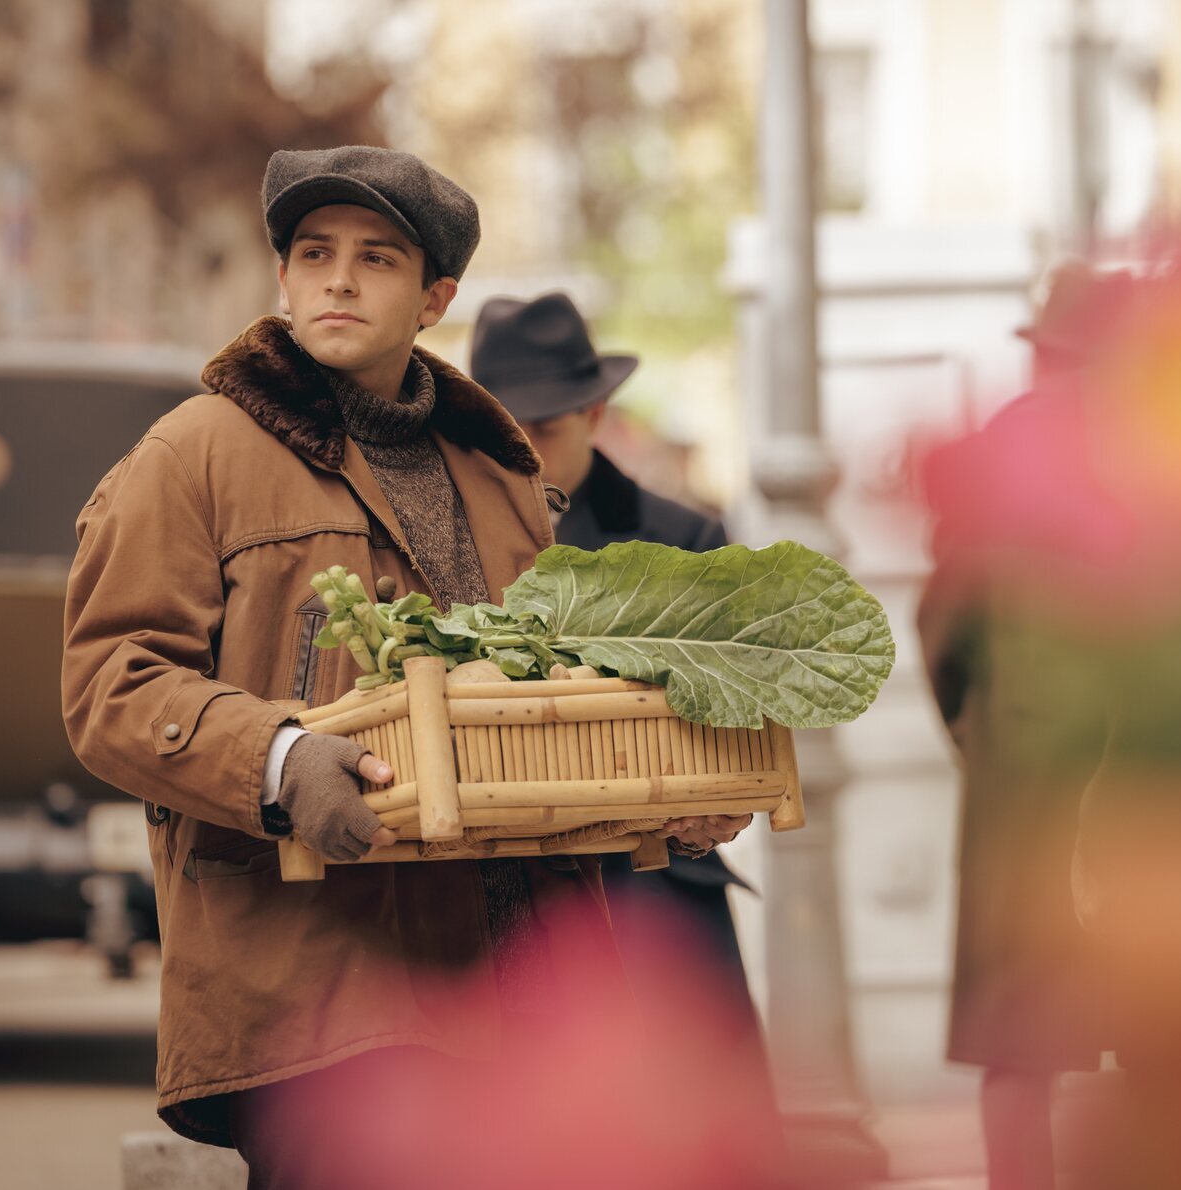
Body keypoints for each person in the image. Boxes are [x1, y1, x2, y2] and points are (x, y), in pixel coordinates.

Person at [61, 148, 750, 1186]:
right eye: (314, 253)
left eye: (376, 258)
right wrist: (280, 758)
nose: (338, 279)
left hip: (532, 1001)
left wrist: (673, 798)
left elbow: (545, 703)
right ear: (283, 277)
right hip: (321, 1006)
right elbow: (111, 682)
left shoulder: (500, 472)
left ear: (435, 298)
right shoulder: (190, 453)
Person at [469, 289, 771, 1109]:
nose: (522, 453)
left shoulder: (684, 542)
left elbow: (742, 721)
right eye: (502, 433)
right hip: (500, 908)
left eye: (543, 430)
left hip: (656, 894)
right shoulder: (440, 553)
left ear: (595, 414)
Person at [916, 262, 1137, 1190]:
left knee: (1019, 1041)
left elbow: (944, 623)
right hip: (1152, 764)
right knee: (1167, 1019)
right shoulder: (1176, 442)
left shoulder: (1009, 448)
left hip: (1028, 773)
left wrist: (983, 738)